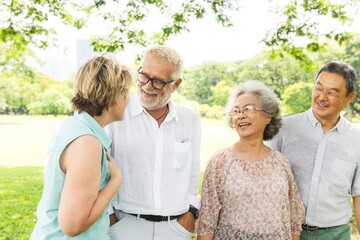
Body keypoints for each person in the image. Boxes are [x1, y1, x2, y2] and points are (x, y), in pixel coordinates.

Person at [30, 54, 133, 239]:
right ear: (114, 97)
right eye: (126, 92)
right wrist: (115, 181)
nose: (129, 100)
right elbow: (72, 225)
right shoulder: (87, 143)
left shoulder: (75, 126)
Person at [106, 45, 201, 240]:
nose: (147, 86)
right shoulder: (116, 113)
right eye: (144, 76)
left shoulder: (189, 118)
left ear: (176, 85)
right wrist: (110, 217)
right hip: (126, 225)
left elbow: (193, 170)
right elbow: (99, 170)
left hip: (175, 229)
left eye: (158, 81)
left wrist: (191, 212)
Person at [197, 80, 305, 240]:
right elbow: (207, 221)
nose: (241, 115)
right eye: (236, 111)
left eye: (248, 109)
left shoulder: (280, 162)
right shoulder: (220, 162)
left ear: (268, 116)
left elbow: (294, 215)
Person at [267, 61, 360, 239]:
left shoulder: (357, 139)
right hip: (287, 231)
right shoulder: (284, 129)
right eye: (319, 88)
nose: (322, 97)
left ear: (349, 97)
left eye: (332, 92)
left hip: (335, 234)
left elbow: (359, 195)